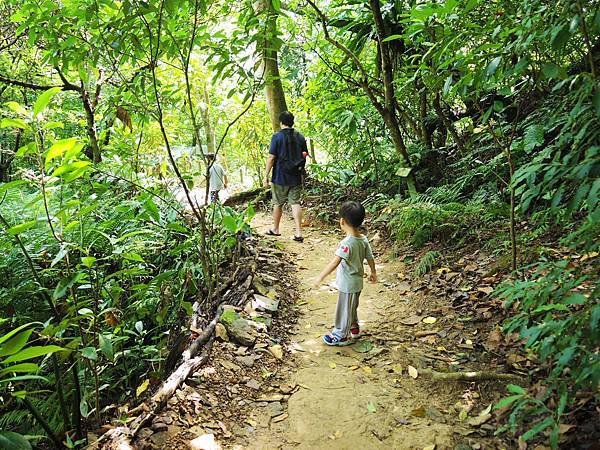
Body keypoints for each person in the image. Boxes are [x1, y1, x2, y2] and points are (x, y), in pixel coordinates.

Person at [313, 201, 377, 346]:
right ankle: (354, 328)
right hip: (357, 283)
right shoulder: (363, 239)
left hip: (348, 285)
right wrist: (373, 272)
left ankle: (341, 335)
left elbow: (335, 262)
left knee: (344, 309)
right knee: (351, 307)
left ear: (342, 221)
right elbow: (370, 258)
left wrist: (321, 276)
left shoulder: (346, 243)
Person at [264, 111, 308, 242]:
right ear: (292, 122)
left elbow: (272, 157)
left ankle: (276, 229)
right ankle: (299, 233)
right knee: (295, 203)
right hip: (295, 176)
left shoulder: (276, 137)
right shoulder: (300, 136)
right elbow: (304, 154)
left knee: (278, 203)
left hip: (280, 176)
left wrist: (266, 175)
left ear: (281, 122)